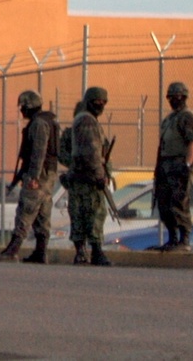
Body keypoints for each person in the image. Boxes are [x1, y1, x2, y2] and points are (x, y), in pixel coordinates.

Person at [0, 90, 60, 263]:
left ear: (30, 106)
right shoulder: (48, 121)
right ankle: (40, 252)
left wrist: (34, 177)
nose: (22, 111)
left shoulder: (38, 124)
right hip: (48, 174)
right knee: (42, 214)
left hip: (39, 174)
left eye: (23, 107)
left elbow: (38, 152)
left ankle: (13, 250)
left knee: (26, 211)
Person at [68, 86, 112, 266]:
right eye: (96, 101)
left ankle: (81, 253)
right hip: (88, 178)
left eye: (103, 102)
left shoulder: (81, 119)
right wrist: (100, 175)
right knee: (94, 213)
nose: (100, 105)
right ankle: (96, 252)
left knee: (79, 215)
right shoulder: (88, 121)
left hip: (79, 176)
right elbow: (92, 152)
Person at [155, 81, 193, 252]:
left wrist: (187, 165)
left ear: (183, 97)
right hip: (165, 166)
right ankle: (172, 238)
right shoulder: (169, 119)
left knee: (179, 203)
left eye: (177, 97)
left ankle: (184, 240)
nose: (173, 100)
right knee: (164, 204)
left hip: (179, 166)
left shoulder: (187, 117)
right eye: (171, 97)